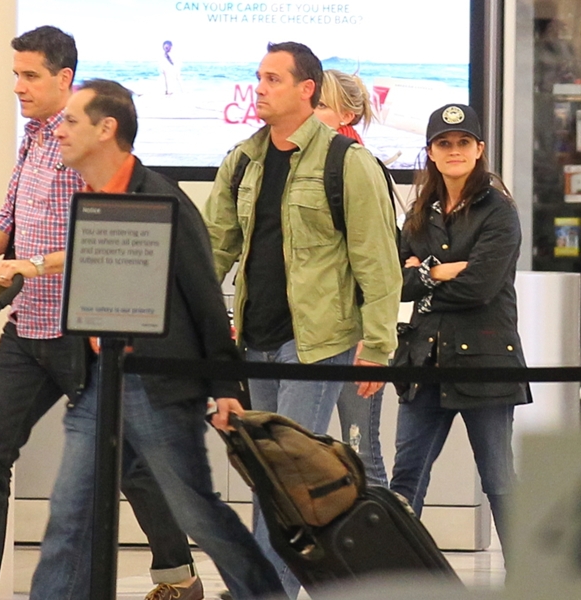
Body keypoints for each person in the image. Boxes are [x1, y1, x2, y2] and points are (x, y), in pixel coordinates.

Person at [29, 78, 285, 600]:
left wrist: (225, 385)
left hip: (156, 386)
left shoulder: (161, 198)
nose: (59, 131)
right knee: (70, 518)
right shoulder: (90, 198)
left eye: (72, 121)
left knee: (197, 512)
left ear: (107, 129)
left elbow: (203, 293)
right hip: (100, 383)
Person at [0, 27, 201, 600]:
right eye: (16, 75)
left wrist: (33, 264)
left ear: (64, 79)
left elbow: (106, 234)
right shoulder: (32, 138)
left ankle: (178, 579)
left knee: (129, 461)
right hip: (28, 328)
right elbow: (5, 222)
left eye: (30, 75)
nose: (19, 87)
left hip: (82, 333)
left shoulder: (83, 144)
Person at [203, 42, 402, 598]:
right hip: (255, 341)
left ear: (306, 89)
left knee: (287, 480)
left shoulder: (348, 161)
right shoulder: (243, 160)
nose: (259, 88)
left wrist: (377, 347)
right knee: (266, 480)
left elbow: (377, 262)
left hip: (316, 343)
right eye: (258, 77)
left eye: (273, 78)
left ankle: (266, 592)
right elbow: (211, 250)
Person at [389, 103, 533, 563]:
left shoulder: (500, 212)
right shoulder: (420, 212)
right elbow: (396, 281)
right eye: (444, 143)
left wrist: (423, 278)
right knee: (405, 480)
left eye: (463, 142)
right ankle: (392, 578)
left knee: (499, 480)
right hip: (423, 362)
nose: (454, 150)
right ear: (431, 152)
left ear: (479, 149)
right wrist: (438, 272)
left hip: (485, 363)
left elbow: (480, 288)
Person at [314, 68, 387, 487]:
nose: (311, 113)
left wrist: (372, 340)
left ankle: (380, 529)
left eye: (321, 106)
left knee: (361, 453)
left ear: (346, 114)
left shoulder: (358, 166)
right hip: (309, 334)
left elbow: (376, 264)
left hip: (352, 334)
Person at [314, 69, 373, 144]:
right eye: (307, 101)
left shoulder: (339, 147)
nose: (307, 109)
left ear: (346, 117)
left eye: (321, 105)